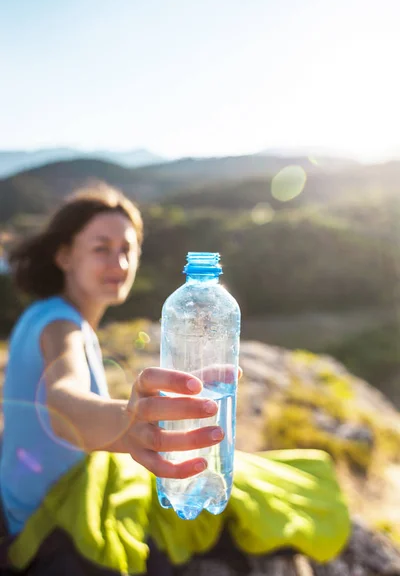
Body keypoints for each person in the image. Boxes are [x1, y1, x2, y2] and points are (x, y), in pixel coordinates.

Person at [0, 183, 350, 575]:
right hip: (49, 507)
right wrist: (127, 423)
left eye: (127, 249)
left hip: (31, 490)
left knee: (236, 472)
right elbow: (63, 398)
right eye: (101, 248)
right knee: (257, 487)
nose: (118, 263)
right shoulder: (61, 326)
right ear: (64, 255)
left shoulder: (43, 313)